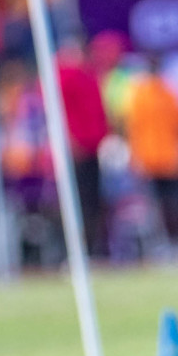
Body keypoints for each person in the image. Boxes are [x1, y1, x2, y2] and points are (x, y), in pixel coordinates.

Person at [123, 56, 178, 244]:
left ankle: (162, 243)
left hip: (150, 157)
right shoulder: (171, 90)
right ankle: (174, 241)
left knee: (158, 204)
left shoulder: (139, 92)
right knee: (171, 202)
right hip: (169, 156)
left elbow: (130, 125)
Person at [57, 40, 110, 257]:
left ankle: (89, 248)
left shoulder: (89, 75)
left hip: (91, 147)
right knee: (77, 201)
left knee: (91, 201)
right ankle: (74, 250)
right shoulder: (67, 75)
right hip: (77, 148)